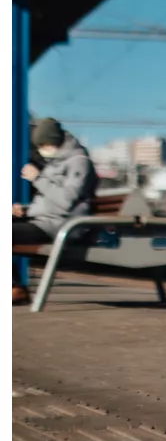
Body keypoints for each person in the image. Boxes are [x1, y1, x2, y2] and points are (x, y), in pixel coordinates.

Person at [12, 118, 99, 304]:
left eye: (44, 144)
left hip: (63, 225)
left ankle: (15, 288)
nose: (43, 149)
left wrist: (37, 179)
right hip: (47, 222)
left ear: (54, 141)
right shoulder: (55, 163)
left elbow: (66, 201)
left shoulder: (79, 162)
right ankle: (14, 287)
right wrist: (26, 211)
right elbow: (49, 201)